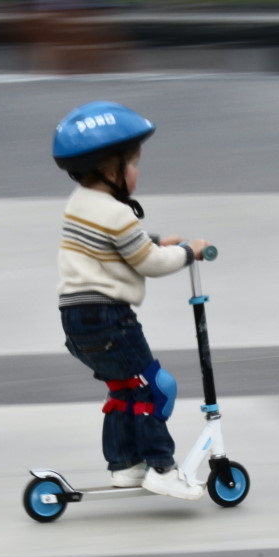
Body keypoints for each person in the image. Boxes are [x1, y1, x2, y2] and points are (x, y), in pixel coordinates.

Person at [53, 101, 210, 500]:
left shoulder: (80, 204)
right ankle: (161, 468)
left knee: (124, 389)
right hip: (110, 318)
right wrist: (188, 252)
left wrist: (153, 239)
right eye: (134, 164)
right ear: (111, 170)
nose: (138, 172)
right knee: (154, 389)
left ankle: (125, 465)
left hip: (76, 319)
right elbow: (150, 263)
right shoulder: (118, 213)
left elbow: (114, 248)